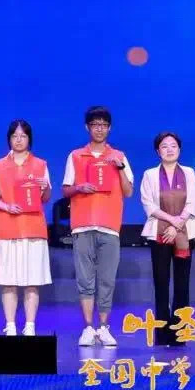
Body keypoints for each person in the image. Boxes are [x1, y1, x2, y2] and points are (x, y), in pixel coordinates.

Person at [62, 106, 134, 347]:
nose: (99, 129)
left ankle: (103, 327)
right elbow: (65, 189)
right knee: (85, 280)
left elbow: (128, 191)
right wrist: (79, 188)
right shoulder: (75, 156)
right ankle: (88, 327)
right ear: (88, 127)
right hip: (82, 226)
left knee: (107, 279)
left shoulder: (119, 156)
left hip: (110, 226)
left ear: (109, 128)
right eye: (95, 125)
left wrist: (120, 168)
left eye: (104, 125)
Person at [0, 119, 52, 336]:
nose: (19, 140)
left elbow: (46, 197)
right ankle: (11, 325)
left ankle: (30, 325)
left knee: (32, 281)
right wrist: (7, 206)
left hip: (34, 229)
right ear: (9, 139)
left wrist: (45, 188)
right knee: (9, 281)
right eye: (15, 136)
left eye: (23, 136)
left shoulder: (40, 165)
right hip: (8, 229)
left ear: (29, 139)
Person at [140, 131, 195, 345]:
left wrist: (177, 226)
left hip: (185, 232)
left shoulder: (189, 172)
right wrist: (171, 222)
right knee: (161, 282)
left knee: (182, 284)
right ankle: (162, 333)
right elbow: (149, 205)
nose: (169, 149)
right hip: (158, 232)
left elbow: (192, 201)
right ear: (157, 151)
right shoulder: (150, 174)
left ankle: (180, 332)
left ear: (180, 149)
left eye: (173, 146)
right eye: (164, 146)